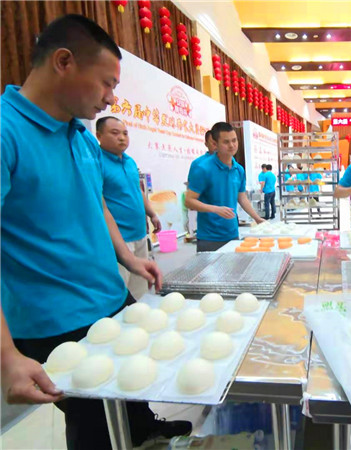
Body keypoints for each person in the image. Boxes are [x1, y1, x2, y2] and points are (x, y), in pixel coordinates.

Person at [0, 14, 189, 448]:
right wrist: (7, 356)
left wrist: (128, 257)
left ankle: (145, 430)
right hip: (54, 318)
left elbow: (97, 202)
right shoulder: (7, 131)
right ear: (64, 62)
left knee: (133, 385)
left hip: (108, 295)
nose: (110, 97)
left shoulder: (80, 136)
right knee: (94, 424)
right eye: (106, 83)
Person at [96, 116, 161, 299]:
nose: (122, 138)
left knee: (140, 287)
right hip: (119, 239)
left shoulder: (129, 161)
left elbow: (137, 191)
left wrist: (152, 214)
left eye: (125, 133)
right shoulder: (96, 162)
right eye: (115, 133)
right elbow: (98, 202)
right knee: (120, 290)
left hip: (139, 233)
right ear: (99, 135)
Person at [185, 122, 265, 251]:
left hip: (232, 233)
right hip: (209, 237)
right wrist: (215, 209)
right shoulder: (203, 168)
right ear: (215, 144)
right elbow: (189, 201)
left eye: (234, 140)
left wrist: (257, 218)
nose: (232, 145)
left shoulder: (239, 169)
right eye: (226, 142)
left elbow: (242, 197)